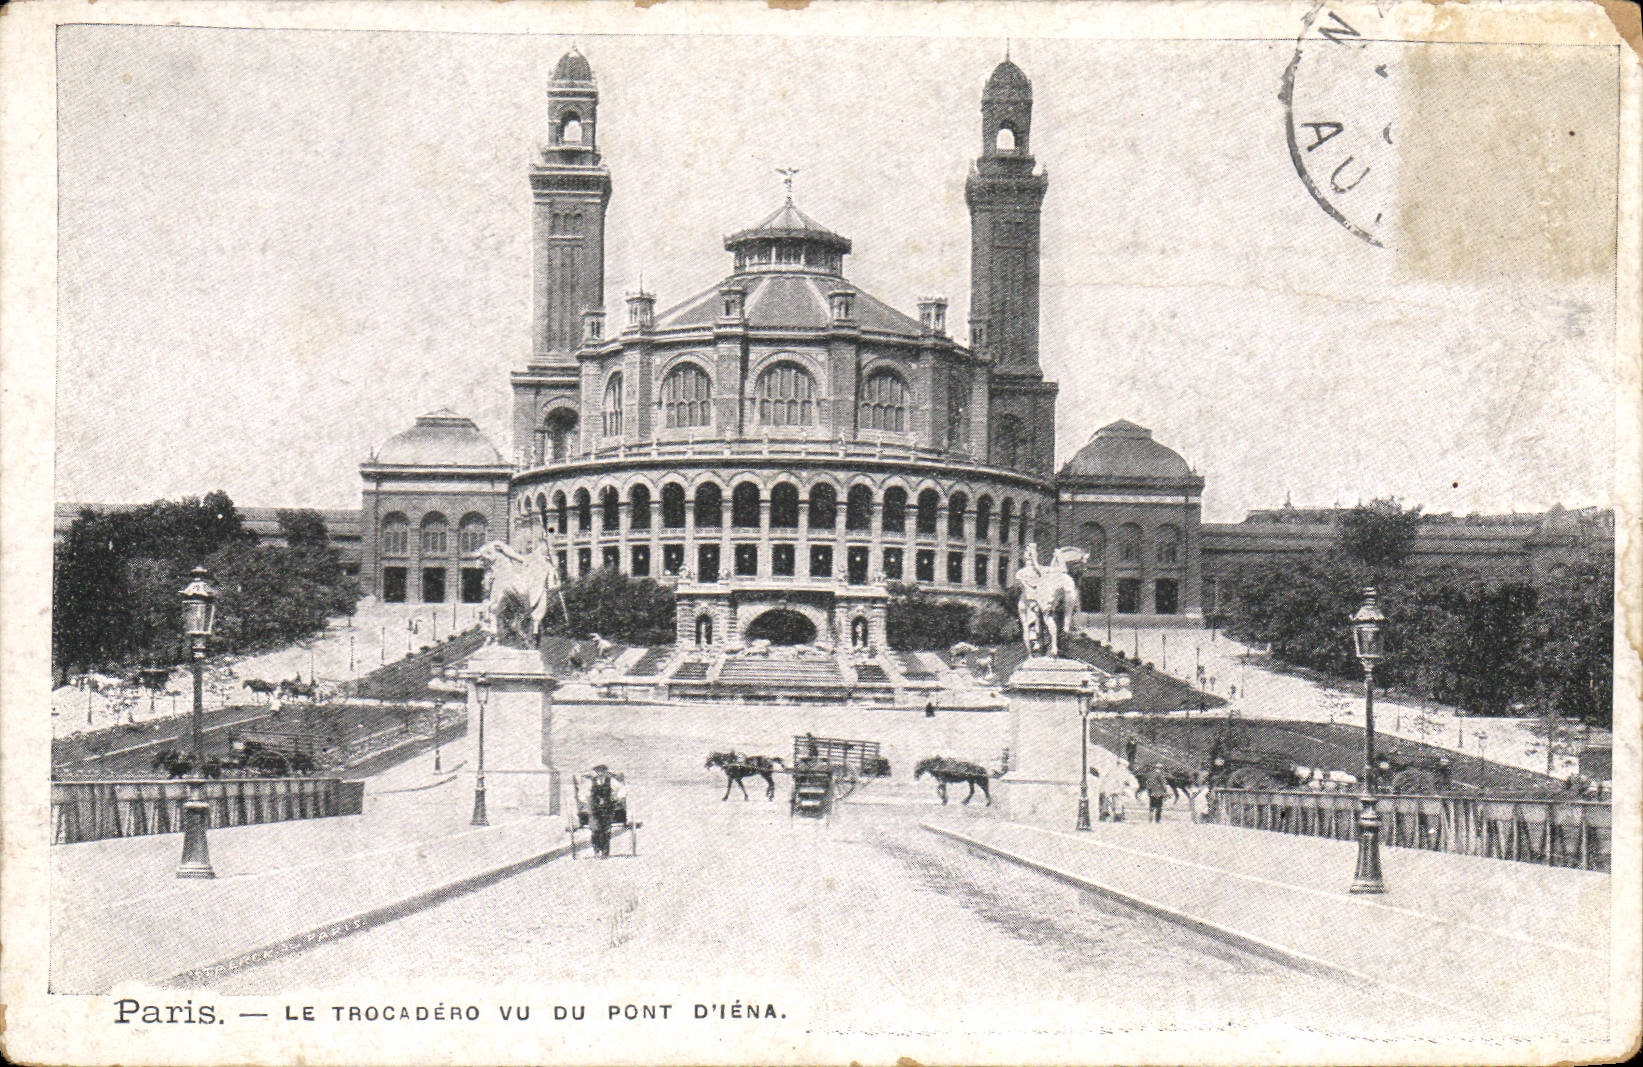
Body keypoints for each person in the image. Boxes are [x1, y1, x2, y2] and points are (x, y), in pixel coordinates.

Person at [577, 764, 626, 858]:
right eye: (598, 771)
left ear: (606, 772)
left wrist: (617, 796)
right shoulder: (590, 782)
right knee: (595, 829)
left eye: (603, 771)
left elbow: (622, 790)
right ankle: (596, 850)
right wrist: (586, 799)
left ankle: (605, 851)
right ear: (595, 772)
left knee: (606, 829)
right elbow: (582, 793)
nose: (600, 773)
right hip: (594, 809)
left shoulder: (611, 781)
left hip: (608, 808)